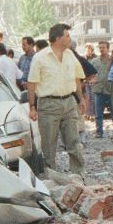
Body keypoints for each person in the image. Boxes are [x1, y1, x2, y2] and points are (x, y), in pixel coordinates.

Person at [27, 23, 87, 177]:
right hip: (48, 105)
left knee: (73, 141)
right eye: (67, 35)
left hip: (69, 102)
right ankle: (51, 177)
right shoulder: (40, 57)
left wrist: (81, 99)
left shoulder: (70, 55)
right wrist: (32, 107)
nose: (69, 39)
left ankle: (78, 175)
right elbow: (31, 83)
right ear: (58, 38)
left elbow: (77, 79)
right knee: (48, 145)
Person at [93, 41, 113, 138]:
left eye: (103, 47)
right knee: (98, 113)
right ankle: (99, 131)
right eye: (100, 47)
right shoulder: (94, 61)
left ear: (108, 48)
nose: (101, 49)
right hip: (98, 90)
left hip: (110, 90)